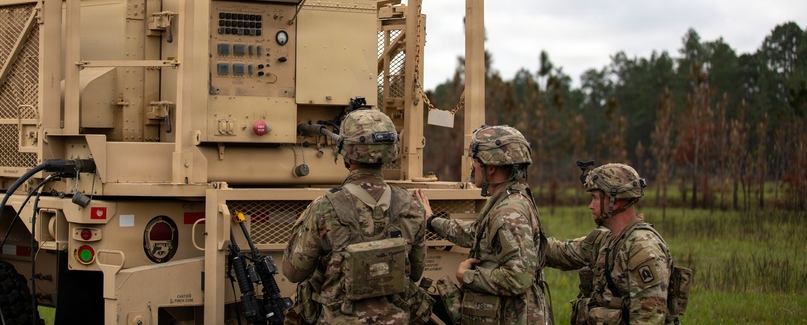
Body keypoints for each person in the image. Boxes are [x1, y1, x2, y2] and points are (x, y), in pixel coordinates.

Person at [282, 105, 429, 325]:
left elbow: (293, 272)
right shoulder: (414, 207)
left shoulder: (325, 207)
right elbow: (415, 273)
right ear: (392, 151)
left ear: (345, 151)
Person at [417, 124, 551, 325]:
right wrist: (432, 221)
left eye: (475, 160)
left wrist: (467, 276)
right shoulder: (509, 199)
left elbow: (519, 278)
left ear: (491, 167)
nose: (472, 166)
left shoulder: (507, 213)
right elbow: (477, 233)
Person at [545, 163, 677, 325]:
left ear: (615, 201)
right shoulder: (606, 240)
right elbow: (562, 253)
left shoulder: (643, 250)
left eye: (594, 198)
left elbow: (648, 319)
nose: (590, 206)